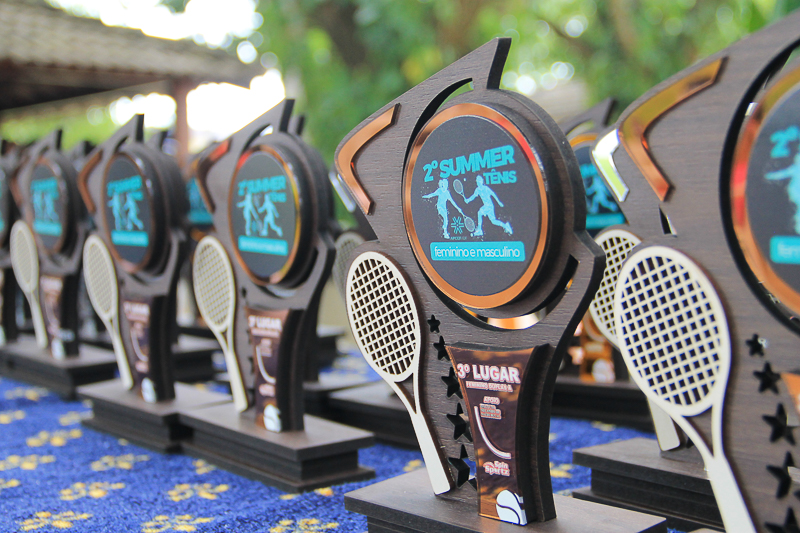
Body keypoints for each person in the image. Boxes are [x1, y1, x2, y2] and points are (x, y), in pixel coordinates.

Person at [766, 151, 800, 234]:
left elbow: (782, 174)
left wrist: (770, 176)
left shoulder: (795, 168)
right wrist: (770, 176)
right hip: (796, 193)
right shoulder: (795, 168)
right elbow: (782, 174)